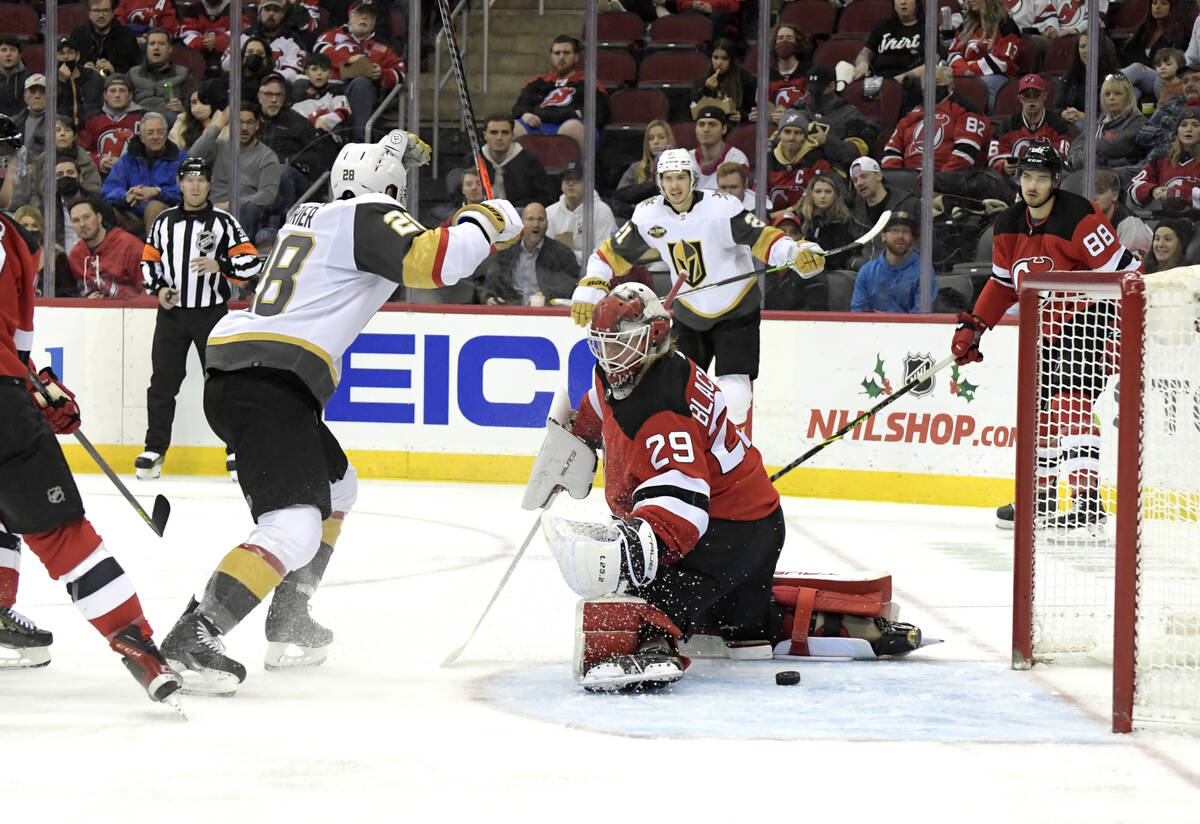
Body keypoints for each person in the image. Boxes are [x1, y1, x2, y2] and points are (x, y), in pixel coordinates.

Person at [157, 131, 521, 694]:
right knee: (293, 526)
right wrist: (488, 218)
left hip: (251, 374)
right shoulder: (365, 215)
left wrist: (396, 149)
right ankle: (198, 631)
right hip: (268, 380)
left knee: (338, 487)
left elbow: (413, 232)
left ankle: (289, 615)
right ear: (389, 191)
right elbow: (436, 261)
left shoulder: (319, 218)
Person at [547, 283, 920, 691]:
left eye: (619, 344)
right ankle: (853, 626)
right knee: (739, 626)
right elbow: (601, 401)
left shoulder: (662, 407)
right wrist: (579, 435)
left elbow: (682, 509)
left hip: (725, 532)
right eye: (603, 344)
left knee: (644, 587)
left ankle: (654, 644)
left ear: (653, 337)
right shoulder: (640, 369)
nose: (609, 356)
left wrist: (632, 548)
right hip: (755, 524)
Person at [0, 205, 181, 703]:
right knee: (62, 535)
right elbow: (19, 343)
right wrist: (33, 390)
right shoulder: (13, 238)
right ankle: (136, 642)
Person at [949, 145, 1139, 531]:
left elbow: (1129, 275)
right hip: (1046, 331)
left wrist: (1125, 332)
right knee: (1041, 414)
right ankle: (1042, 495)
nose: (1032, 186)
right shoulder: (1007, 224)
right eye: (1026, 177)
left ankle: (1087, 500)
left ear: (1055, 180)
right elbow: (1003, 285)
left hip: (1093, 320)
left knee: (1070, 403)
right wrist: (975, 325)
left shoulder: (1081, 217)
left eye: (1041, 178)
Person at [570, 149, 825, 427]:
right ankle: (691, 450)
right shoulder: (648, 215)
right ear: (659, 182)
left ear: (693, 179)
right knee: (679, 395)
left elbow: (764, 238)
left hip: (737, 310)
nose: (674, 185)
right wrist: (591, 287)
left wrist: (795, 253)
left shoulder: (722, 208)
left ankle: (728, 450)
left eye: (681, 177)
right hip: (688, 314)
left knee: (735, 397)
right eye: (668, 178)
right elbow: (608, 256)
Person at [137, 156, 258, 481]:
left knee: (223, 383)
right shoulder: (163, 222)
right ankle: (154, 449)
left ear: (209, 184)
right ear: (180, 184)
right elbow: (149, 261)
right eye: (189, 180)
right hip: (172, 315)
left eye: (201, 180)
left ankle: (235, 449)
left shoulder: (224, 223)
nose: (194, 186)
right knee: (162, 384)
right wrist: (159, 289)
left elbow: (251, 263)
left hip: (212, 314)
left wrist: (222, 265)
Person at [314, 0, 407, 142]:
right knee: (300, 84)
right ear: (350, 16)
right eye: (360, 13)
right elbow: (319, 50)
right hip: (327, 89)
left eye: (369, 15)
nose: (364, 17)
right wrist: (348, 60)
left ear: (374, 22)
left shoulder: (381, 47)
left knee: (361, 83)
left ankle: (359, 141)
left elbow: (401, 74)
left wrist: (382, 74)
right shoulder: (333, 35)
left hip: (357, 93)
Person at [188, 105, 283, 242]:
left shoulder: (267, 157)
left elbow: (267, 195)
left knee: (248, 210)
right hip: (211, 209)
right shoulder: (219, 146)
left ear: (257, 125)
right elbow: (192, 157)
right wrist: (220, 123)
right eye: (239, 122)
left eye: (249, 122)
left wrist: (231, 205)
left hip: (243, 213)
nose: (244, 128)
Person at [512, 35, 609, 150]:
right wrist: (525, 115)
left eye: (566, 53)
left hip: (571, 125)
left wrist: (570, 115)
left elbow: (600, 110)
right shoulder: (538, 81)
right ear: (551, 57)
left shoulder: (588, 81)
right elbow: (519, 107)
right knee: (512, 128)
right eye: (557, 53)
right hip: (537, 126)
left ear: (576, 57)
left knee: (572, 128)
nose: (561, 57)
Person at [475, 202, 578, 305]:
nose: (536, 225)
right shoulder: (506, 249)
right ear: (522, 223)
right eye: (530, 219)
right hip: (511, 309)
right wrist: (489, 297)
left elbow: (571, 284)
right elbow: (490, 281)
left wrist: (546, 296)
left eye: (540, 219)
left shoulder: (561, 253)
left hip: (544, 310)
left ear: (547, 224)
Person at [100, 112, 184, 234]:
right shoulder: (128, 158)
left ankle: (153, 246)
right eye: (150, 133)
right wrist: (125, 196)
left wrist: (157, 192)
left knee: (153, 207)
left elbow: (187, 192)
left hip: (169, 216)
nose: (156, 137)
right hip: (133, 217)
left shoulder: (180, 158)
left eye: (160, 132)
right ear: (141, 137)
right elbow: (108, 191)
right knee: (105, 211)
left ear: (166, 135)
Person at [988, 74, 1075, 188]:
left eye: (1036, 95)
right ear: (1020, 98)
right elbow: (994, 156)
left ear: (1044, 96)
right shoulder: (1007, 126)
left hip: (1047, 182)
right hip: (1013, 182)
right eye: (1027, 96)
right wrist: (1004, 165)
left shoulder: (1058, 125)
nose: (1031, 100)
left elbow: (1062, 158)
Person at [765, 108, 848, 216]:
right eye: (787, 132)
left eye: (798, 133)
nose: (792, 137)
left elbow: (816, 202)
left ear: (805, 136)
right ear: (779, 135)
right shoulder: (768, 160)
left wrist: (773, 217)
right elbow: (756, 197)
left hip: (807, 221)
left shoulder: (817, 160)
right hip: (770, 223)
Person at [1066, 71, 1147, 178]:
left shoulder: (1138, 122)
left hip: (1123, 174)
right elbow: (1078, 142)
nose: (1111, 98)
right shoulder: (1101, 121)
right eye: (1107, 94)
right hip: (1096, 170)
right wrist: (1079, 153)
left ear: (1128, 97)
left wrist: (1088, 150)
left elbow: (1117, 145)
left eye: (1118, 93)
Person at [947, 0, 1021, 112]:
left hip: (998, 75)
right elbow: (953, 52)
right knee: (940, 74)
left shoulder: (1006, 25)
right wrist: (963, 69)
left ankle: (988, 120)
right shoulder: (966, 24)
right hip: (966, 72)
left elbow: (1002, 61)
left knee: (983, 84)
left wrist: (970, 69)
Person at [68, 195, 146, 299]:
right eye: (76, 220)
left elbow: (150, 291)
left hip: (128, 309)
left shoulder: (130, 245)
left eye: (86, 217)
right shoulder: (75, 255)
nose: (82, 224)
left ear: (99, 218)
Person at [1129, 106, 1200, 217]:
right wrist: (1153, 190)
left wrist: (1178, 193)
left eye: (1195, 125)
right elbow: (1133, 186)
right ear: (1177, 131)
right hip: (1164, 222)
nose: (1189, 129)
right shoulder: (1161, 158)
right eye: (1183, 125)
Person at [851, 210, 926, 312]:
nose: (900, 236)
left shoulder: (924, 272)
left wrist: (886, 318)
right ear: (883, 236)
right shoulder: (867, 271)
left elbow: (923, 316)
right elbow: (857, 312)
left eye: (906, 231)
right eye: (894, 230)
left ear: (913, 238)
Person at [848, 155, 919, 262]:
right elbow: (851, 251)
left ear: (879, 176)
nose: (859, 183)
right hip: (865, 268)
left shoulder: (909, 205)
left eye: (864, 176)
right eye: (855, 180)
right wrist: (855, 263)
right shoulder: (855, 211)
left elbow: (922, 245)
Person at [1119, 0, 1192, 102]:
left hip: (1164, 77)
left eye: (1163, 3)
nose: (1158, 6)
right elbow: (1129, 54)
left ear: (1172, 8)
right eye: (1154, 3)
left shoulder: (1179, 32)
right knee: (1133, 91)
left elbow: (1177, 62)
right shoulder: (1144, 29)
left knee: (1136, 69)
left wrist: (1143, 67)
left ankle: (1110, 83)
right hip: (1142, 78)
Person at [546, 163, 618, 265]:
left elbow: (605, 253)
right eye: (567, 179)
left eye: (577, 179)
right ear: (561, 185)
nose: (571, 183)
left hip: (593, 271)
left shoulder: (602, 212)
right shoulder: (550, 212)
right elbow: (546, 252)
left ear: (588, 183)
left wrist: (570, 258)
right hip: (558, 271)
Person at [222, 0, 308, 84]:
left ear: (283, 14)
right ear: (260, 12)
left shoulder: (294, 41)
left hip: (276, 87)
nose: (271, 13)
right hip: (244, 84)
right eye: (267, 9)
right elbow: (225, 64)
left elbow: (292, 74)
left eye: (276, 10)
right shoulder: (245, 35)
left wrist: (264, 75)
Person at [479, 113, 553, 208]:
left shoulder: (530, 161)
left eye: (505, 133)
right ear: (485, 135)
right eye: (494, 132)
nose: (499, 138)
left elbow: (546, 198)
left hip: (519, 213)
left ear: (512, 135)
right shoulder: (474, 160)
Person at [79, 74, 146, 177]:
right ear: (105, 95)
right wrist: (98, 160)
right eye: (113, 91)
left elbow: (151, 149)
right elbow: (81, 151)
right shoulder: (91, 118)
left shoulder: (144, 117)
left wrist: (127, 162)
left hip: (135, 174)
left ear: (130, 95)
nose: (117, 95)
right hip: (98, 174)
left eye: (122, 91)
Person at [854, 0, 931, 87]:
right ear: (894, 5)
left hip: (908, 82)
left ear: (917, 3)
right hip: (875, 81)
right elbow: (864, 54)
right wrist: (863, 64)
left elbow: (932, 64)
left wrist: (895, 81)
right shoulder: (882, 26)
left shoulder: (928, 28)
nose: (903, 2)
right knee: (844, 68)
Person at [129, 28, 196, 124]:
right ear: (147, 48)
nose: (156, 48)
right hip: (138, 116)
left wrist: (183, 108)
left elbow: (194, 103)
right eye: (152, 44)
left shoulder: (184, 74)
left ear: (170, 49)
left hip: (169, 117)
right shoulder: (133, 73)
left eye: (161, 44)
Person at [1136, 62, 1200, 162]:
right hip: (1151, 163)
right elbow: (1143, 135)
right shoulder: (1173, 103)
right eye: (1185, 81)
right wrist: (1176, 136)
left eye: (1196, 80)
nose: (1189, 84)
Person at [752, 22, 813, 125]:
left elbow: (813, 106)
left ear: (797, 43)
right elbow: (766, 107)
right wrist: (762, 117)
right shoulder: (767, 75)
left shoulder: (809, 70)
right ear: (774, 43)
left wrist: (789, 115)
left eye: (789, 38)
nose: (784, 41)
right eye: (780, 38)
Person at [1055, 32, 1119, 124]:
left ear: (1101, 48)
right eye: (1082, 47)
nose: (1086, 50)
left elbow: (1113, 115)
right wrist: (1063, 113)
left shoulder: (1113, 77)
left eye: (1091, 46)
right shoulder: (1070, 75)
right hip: (1071, 124)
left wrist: (1083, 116)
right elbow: (1055, 108)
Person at [689, 38, 755, 124]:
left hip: (735, 126)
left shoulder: (744, 79)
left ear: (731, 60)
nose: (719, 63)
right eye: (715, 57)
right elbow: (694, 107)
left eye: (724, 59)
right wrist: (707, 89)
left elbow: (754, 109)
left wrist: (743, 116)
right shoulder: (703, 80)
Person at [614, 119, 675, 211]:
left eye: (661, 137)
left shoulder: (680, 167)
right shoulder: (636, 167)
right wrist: (652, 185)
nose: (656, 142)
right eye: (651, 138)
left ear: (669, 140)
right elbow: (620, 196)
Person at [291, 52, 352, 142]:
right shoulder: (298, 95)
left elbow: (344, 112)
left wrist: (324, 119)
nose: (319, 73)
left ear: (330, 74)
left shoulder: (335, 92)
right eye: (314, 69)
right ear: (307, 73)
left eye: (324, 69)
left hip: (329, 139)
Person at [70, 0, 142, 76]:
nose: (101, 15)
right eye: (96, 11)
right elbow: (68, 66)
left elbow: (137, 70)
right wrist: (82, 71)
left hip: (118, 81)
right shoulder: (78, 34)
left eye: (105, 10)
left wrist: (114, 71)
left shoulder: (126, 35)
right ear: (89, 13)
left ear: (113, 13)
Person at [1094, 168, 1153, 257]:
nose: (1093, 197)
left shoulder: (1130, 224)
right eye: (1090, 192)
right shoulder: (1086, 219)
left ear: (1115, 195)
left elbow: (1129, 264)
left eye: (1100, 192)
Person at [692, 105, 750, 191]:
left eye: (712, 124)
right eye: (701, 124)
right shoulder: (687, 158)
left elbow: (738, 196)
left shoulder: (736, 159)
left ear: (724, 129)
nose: (706, 129)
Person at [169, 81, 229, 152]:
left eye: (203, 102)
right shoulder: (182, 120)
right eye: (194, 102)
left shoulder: (224, 120)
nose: (197, 107)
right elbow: (172, 149)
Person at [0, 35, 29, 119]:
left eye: (12, 50)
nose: (8, 54)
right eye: (4, 50)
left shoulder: (29, 80)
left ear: (20, 55)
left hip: (20, 124)